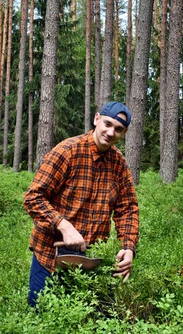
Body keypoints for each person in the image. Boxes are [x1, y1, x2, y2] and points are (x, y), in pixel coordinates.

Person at [23, 101, 139, 307]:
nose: (111, 132)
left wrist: (128, 247)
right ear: (96, 119)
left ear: (124, 132)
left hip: (91, 260)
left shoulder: (119, 164)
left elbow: (127, 209)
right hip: (50, 256)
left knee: (96, 320)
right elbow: (33, 198)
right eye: (107, 124)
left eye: (118, 129)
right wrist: (64, 226)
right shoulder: (67, 151)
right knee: (41, 317)